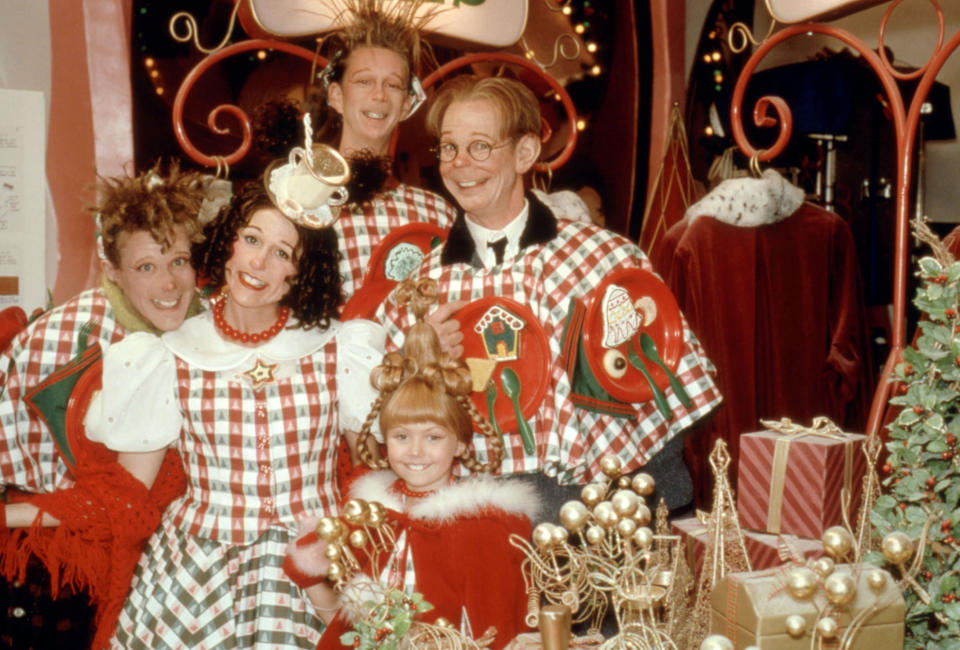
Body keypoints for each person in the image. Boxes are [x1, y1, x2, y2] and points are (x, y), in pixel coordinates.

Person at [380, 75, 723, 512]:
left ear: (525, 152)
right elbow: (396, 423)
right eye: (449, 147)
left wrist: (654, 506)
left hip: (610, 506)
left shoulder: (604, 257)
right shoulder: (420, 290)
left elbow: (665, 381)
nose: (460, 164)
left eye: (480, 146)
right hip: (483, 518)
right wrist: (423, 359)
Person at [83, 171, 386, 648]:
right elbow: (126, 493)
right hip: (196, 578)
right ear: (228, 242)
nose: (259, 262)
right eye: (251, 239)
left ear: (301, 271)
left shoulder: (338, 347)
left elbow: (372, 473)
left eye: (282, 253)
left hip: (320, 566)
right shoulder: (172, 353)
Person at [0, 161, 210, 649]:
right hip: (58, 563)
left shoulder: (206, 327)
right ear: (112, 270)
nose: (169, 284)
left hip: (168, 557)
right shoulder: (58, 340)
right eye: (146, 267)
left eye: (179, 261)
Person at [284, 278, 535, 649]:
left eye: (433, 437)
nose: (415, 451)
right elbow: (306, 567)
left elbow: (498, 616)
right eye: (402, 437)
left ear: (461, 444)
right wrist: (338, 620)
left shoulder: (485, 525)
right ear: (386, 442)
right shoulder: (371, 515)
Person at [308, 0, 458, 308]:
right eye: (364, 81)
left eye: (393, 85)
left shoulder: (437, 212)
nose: (378, 95)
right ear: (336, 96)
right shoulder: (299, 198)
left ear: (406, 105)